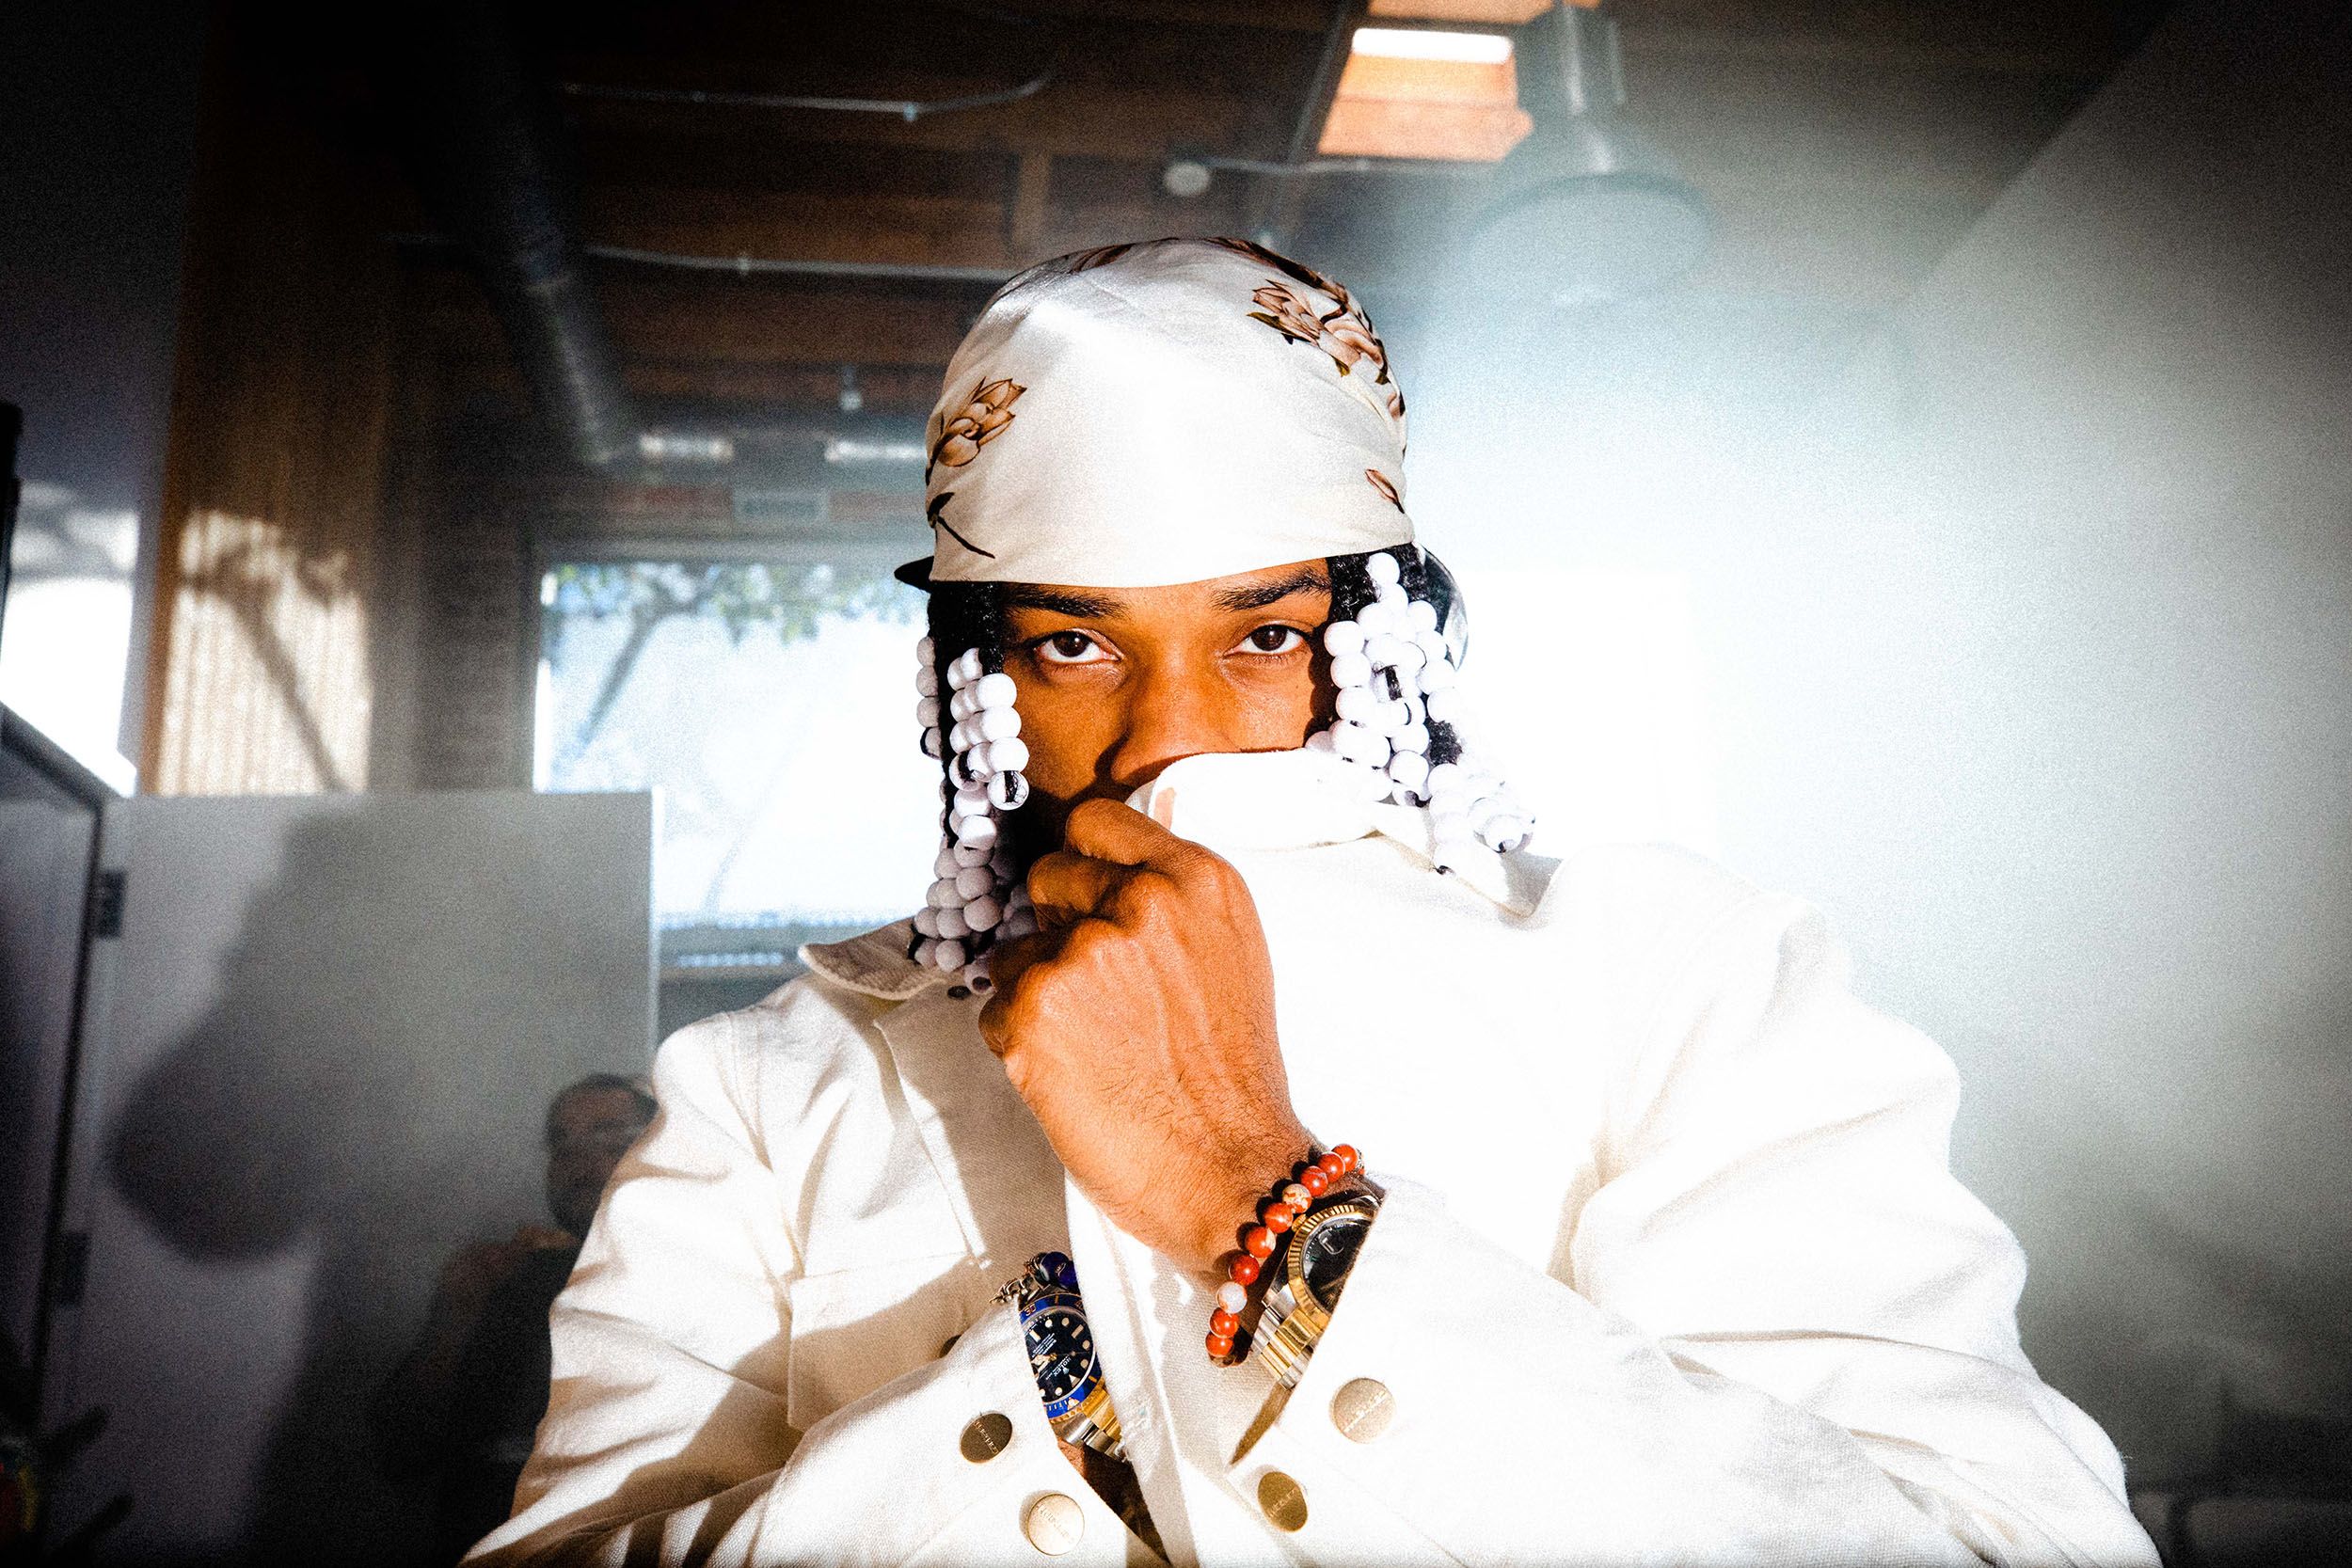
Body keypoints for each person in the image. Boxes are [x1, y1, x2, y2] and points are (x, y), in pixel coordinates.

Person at [469, 238, 2161, 1566]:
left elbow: (1998, 1541)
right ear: (974, 679)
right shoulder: (772, 1085)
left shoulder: (1679, 981)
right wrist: (1061, 1400)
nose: (1169, 738)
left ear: (1382, 645)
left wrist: (1260, 1207)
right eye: (1074, 642)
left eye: (1265, 634)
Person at [374, 1073, 656, 1565]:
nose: (579, 1163)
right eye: (562, 1143)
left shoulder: (706, 1274)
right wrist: (455, 1318)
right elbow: (400, 1453)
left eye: (609, 1138)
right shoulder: (508, 1278)